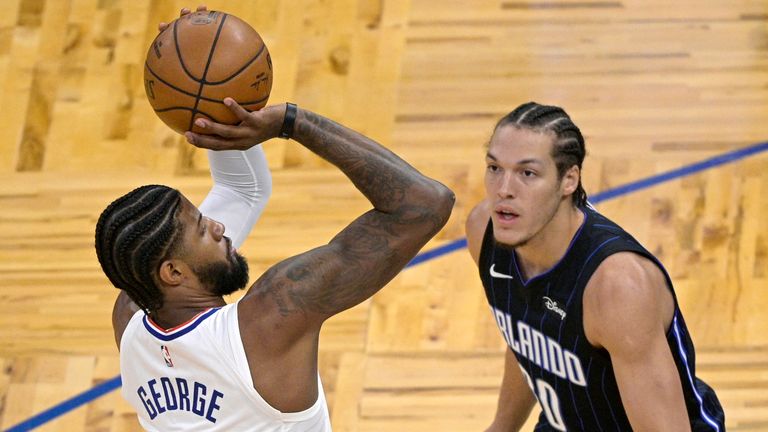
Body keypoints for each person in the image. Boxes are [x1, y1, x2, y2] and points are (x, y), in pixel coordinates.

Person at [95, 13, 454, 430]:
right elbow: (426, 204)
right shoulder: (269, 321)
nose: (217, 226)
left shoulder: (132, 321)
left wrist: (208, 97)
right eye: (202, 229)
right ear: (173, 272)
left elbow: (240, 191)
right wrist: (291, 122)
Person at [465, 102, 725, 431]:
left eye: (527, 173)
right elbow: (528, 336)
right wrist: (502, 427)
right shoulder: (484, 231)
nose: (504, 190)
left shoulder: (617, 289)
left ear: (569, 179)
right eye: (494, 168)